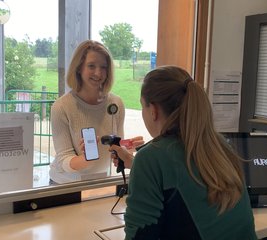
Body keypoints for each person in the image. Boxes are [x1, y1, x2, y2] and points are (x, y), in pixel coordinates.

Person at [110, 65, 257, 239]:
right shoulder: (221, 147)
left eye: (143, 106)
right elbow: (186, 176)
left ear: (153, 110)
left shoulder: (151, 158)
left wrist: (141, 165)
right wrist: (134, 164)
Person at [49, 40, 125, 184]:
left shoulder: (117, 103)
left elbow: (117, 146)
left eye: (103, 67)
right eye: (91, 66)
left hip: (100, 182)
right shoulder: (61, 107)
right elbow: (64, 158)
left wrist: (126, 150)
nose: (98, 73)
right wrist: (85, 160)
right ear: (78, 68)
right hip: (65, 185)